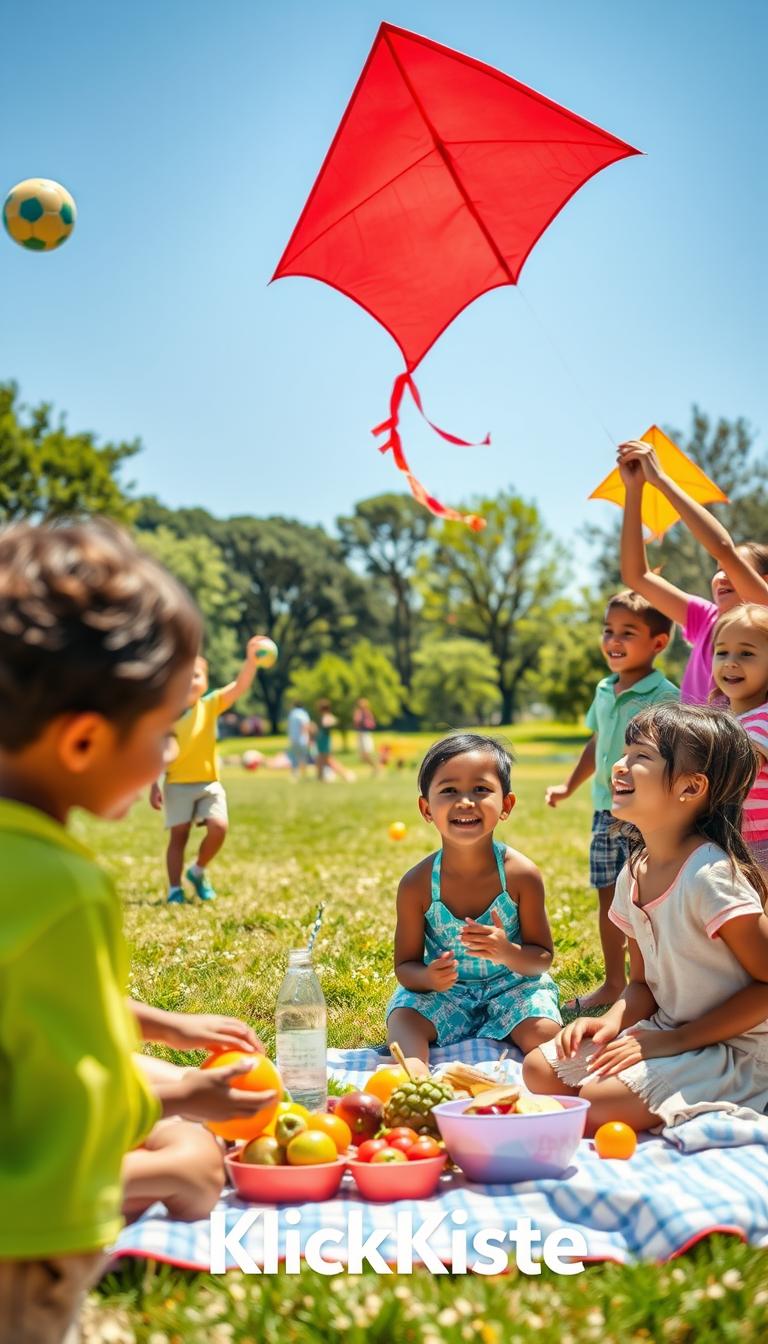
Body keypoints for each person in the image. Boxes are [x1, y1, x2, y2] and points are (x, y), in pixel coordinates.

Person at [0, 520, 272, 1344]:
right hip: (26, 1240)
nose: (166, 755)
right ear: (83, 739)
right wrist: (191, 1094)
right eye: (160, 734)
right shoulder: (65, 886)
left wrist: (169, 1029)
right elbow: (70, 1085)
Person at [524, 703, 768, 1136]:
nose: (620, 766)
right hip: (669, 1032)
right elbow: (641, 986)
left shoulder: (711, 879)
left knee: (596, 1104)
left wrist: (672, 1042)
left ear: (690, 788)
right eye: (625, 752)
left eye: (641, 756)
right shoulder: (633, 872)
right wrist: (609, 1022)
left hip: (738, 1050)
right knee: (539, 1070)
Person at [386, 732, 561, 1071]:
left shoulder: (521, 875)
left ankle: (545, 1071)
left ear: (506, 805)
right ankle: (414, 1073)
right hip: (447, 995)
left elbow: (541, 959)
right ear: (426, 808)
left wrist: (507, 952)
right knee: (404, 1016)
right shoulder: (416, 885)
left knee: (545, 1031)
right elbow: (405, 968)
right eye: (449, 790)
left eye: (481, 789)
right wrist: (429, 979)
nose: (465, 801)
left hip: (514, 989)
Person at [545, 590, 678, 1011]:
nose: (613, 640)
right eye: (608, 630)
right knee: (608, 895)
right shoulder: (604, 689)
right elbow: (597, 741)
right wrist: (569, 787)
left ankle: (651, 984)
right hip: (606, 811)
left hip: (644, 815)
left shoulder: (666, 696)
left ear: (658, 643)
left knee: (645, 898)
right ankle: (613, 982)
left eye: (628, 632)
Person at [618, 439, 768, 705]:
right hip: (692, 743)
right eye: (718, 571)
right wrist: (634, 489)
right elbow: (636, 577)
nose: (721, 576)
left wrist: (661, 479)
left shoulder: (764, 611)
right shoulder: (706, 620)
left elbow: (722, 548)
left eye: (733, 569)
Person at [150, 639, 266, 903]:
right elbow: (157, 753)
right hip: (177, 784)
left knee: (219, 827)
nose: (191, 680)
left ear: (205, 680)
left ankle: (198, 870)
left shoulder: (211, 704)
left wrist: (251, 660)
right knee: (178, 838)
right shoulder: (166, 714)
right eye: (185, 676)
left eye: (197, 675)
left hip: (208, 783)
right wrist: (154, 785)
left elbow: (239, 687)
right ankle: (174, 889)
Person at [711, 604, 768, 873]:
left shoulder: (764, 718)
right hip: (736, 838)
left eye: (746, 653)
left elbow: (741, 771)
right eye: (721, 652)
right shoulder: (725, 720)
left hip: (762, 843)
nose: (730, 662)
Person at [314, 699, 352, 782]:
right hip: (321, 741)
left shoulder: (327, 716)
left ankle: (346, 775)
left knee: (329, 761)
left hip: (325, 742)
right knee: (320, 760)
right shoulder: (323, 716)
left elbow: (333, 721)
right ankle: (320, 778)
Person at [286, 696, 312, 780]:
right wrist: (307, 737)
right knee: (303, 758)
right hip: (302, 739)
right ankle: (304, 775)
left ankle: (294, 775)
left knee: (294, 758)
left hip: (293, 739)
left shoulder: (292, 713)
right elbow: (305, 725)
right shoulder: (303, 714)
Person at [353, 696, 380, 774]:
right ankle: (375, 768)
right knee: (362, 756)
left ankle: (377, 768)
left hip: (365, 734)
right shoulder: (358, 712)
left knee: (367, 753)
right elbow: (356, 722)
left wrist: (364, 722)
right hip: (360, 734)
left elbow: (372, 724)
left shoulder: (367, 713)